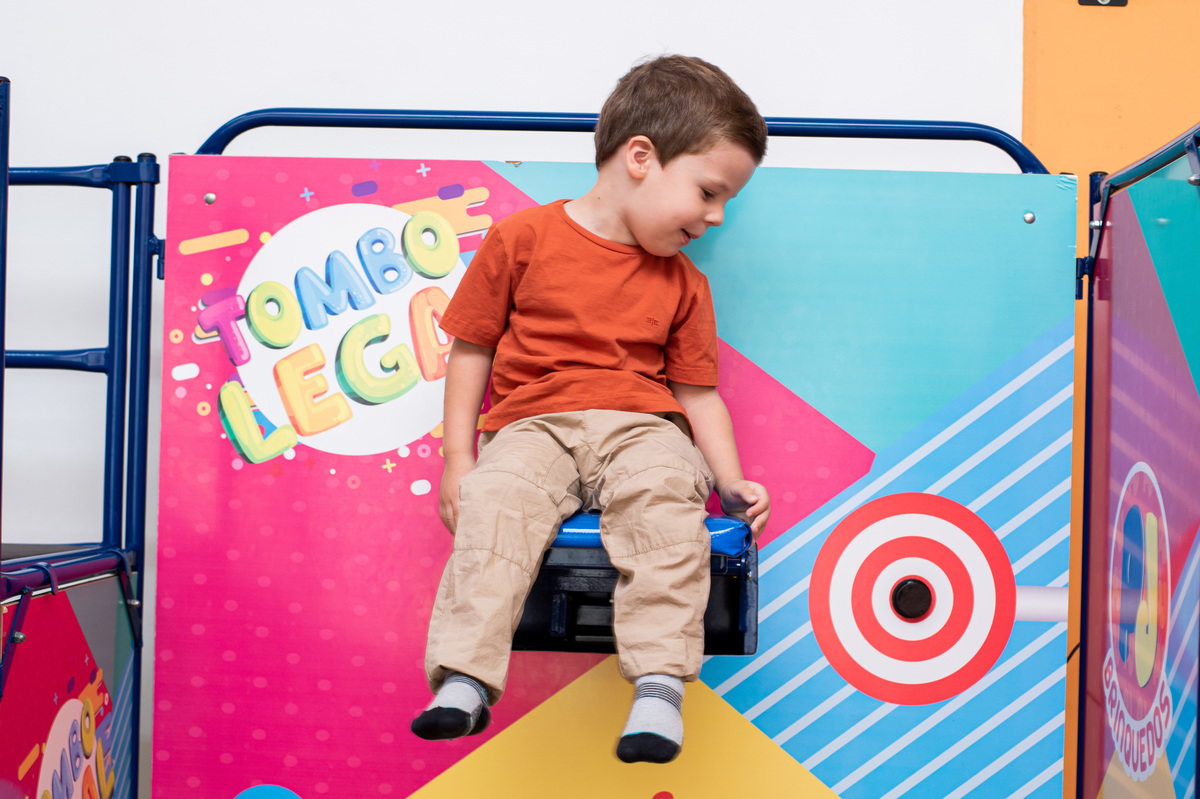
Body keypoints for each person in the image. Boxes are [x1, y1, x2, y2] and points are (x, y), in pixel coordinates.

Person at [411, 54, 771, 764]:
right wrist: (458, 457)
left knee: (667, 501)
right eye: (708, 192)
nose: (715, 216)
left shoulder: (685, 283)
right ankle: (464, 679)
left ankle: (660, 687)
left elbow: (698, 393)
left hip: (642, 428)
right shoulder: (521, 239)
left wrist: (729, 480)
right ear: (641, 157)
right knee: (496, 503)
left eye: (725, 201)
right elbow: (471, 348)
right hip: (532, 425)